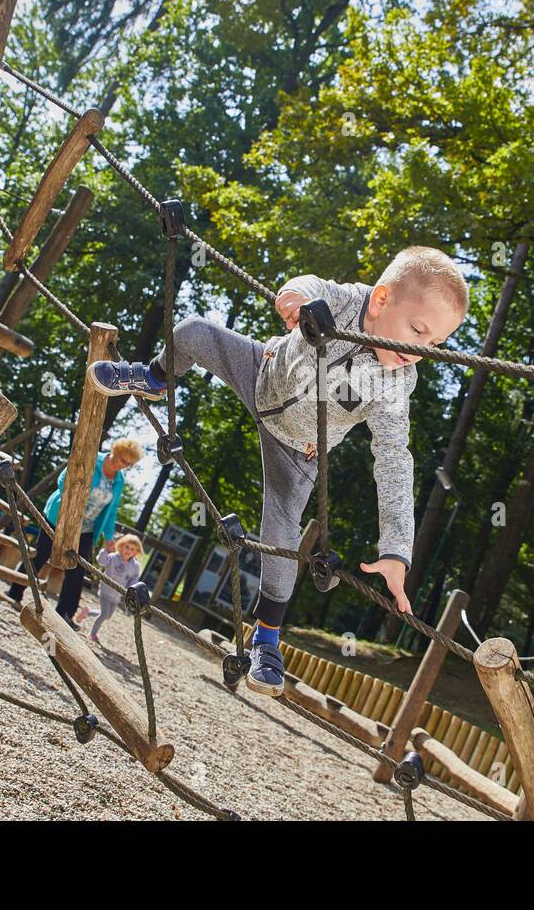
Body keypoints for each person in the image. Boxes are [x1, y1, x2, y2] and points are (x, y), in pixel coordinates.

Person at [87, 246, 469, 695]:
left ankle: (267, 637)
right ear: (382, 300)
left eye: (434, 345)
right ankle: (155, 377)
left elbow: (393, 458)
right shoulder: (345, 302)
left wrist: (397, 548)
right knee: (192, 330)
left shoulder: (396, 382)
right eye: (417, 331)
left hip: (298, 448)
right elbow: (307, 283)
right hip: (261, 373)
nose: (416, 351)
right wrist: (295, 299)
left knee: (282, 535)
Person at [6, 438, 143, 627]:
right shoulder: (91, 460)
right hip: (61, 516)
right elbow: (64, 480)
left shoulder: (119, 481)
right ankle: (15, 590)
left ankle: (65, 614)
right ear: (115, 452)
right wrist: (71, 501)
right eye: (122, 460)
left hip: (87, 528)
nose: (123, 465)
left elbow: (111, 512)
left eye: (129, 464)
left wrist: (109, 537)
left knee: (78, 570)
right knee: (40, 555)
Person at [90, 533, 144, 645]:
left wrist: (131, 589)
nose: (129, 550)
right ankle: (92, 633)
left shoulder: (135, 566)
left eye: (132, 549)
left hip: (117, 595)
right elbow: (101, 561)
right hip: (106, 590)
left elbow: (134, 579)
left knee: (108, 616)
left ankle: (88, 612)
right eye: (127, 547)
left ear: (136, 552)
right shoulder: (114, 557)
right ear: (121, 545)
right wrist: (105, 551)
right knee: (104, 614)